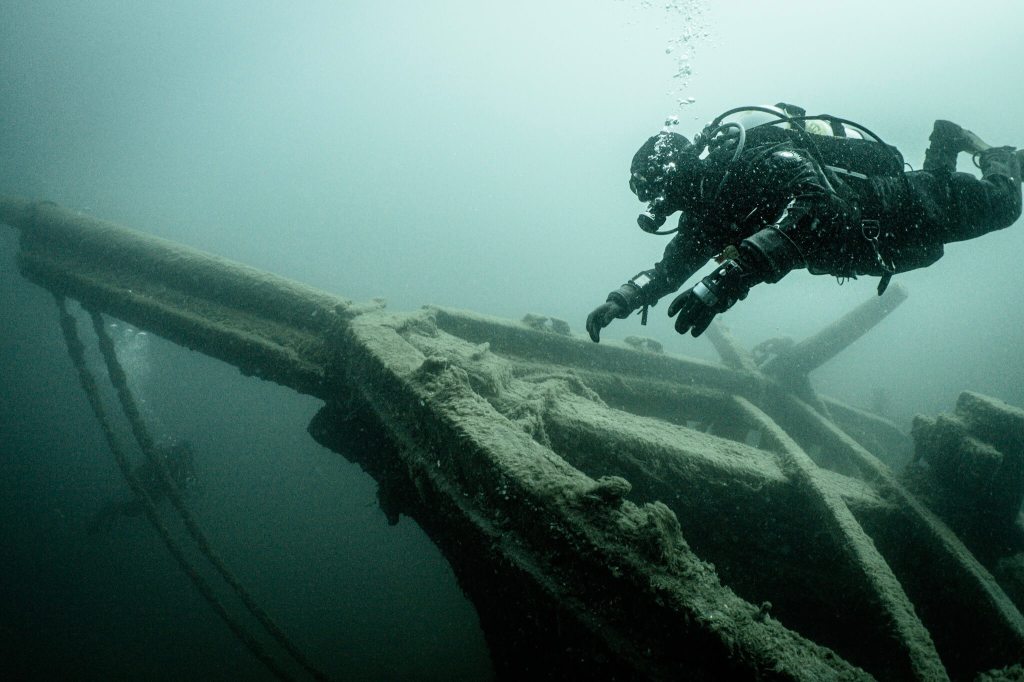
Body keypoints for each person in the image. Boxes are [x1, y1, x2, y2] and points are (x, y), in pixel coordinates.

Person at [586, 104, 1022, 341]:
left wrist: (729, 278)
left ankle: (998, 158)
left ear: (676, 170)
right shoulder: (707, 217)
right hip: (882, 240)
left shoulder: (756, 158)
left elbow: (820, 205)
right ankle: (944, 138)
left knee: (1006, 206)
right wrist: (621, 300)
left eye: (656, 192)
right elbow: (669, 270)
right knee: (942, 214)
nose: (657, 208)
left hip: (905, 206)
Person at [88, 440, 198, 534]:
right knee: (133, 508)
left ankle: (111, 511)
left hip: (155, 490)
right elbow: (151, 461)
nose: (184, 454)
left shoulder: (183, 466)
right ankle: (108, 512)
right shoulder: (169, 453)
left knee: (134, 511)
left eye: (186, 452)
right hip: (148, 482)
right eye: (183, 450)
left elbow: (183, 485)